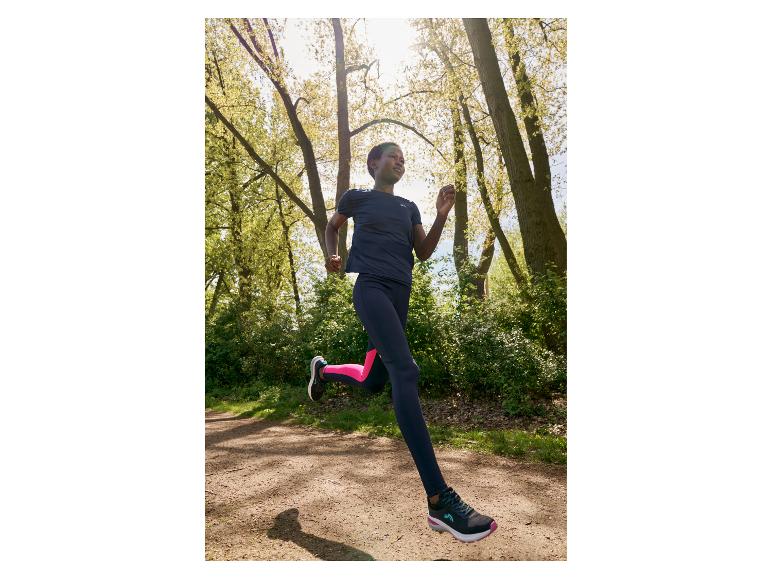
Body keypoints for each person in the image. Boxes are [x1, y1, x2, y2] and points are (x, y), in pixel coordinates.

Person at [306, 141, 497, 544]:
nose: (400, 161)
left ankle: (322, 371)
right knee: (405, 371)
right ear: (374, 163)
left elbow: (425, 252)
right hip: (371, 290)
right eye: (392, 156)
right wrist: (332, 253)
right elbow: (331, 226)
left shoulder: (409, 207)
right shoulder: (356, 197)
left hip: (399, 297)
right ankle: (439, 501)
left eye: (403, 158)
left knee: (374, 379)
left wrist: (441, 216)